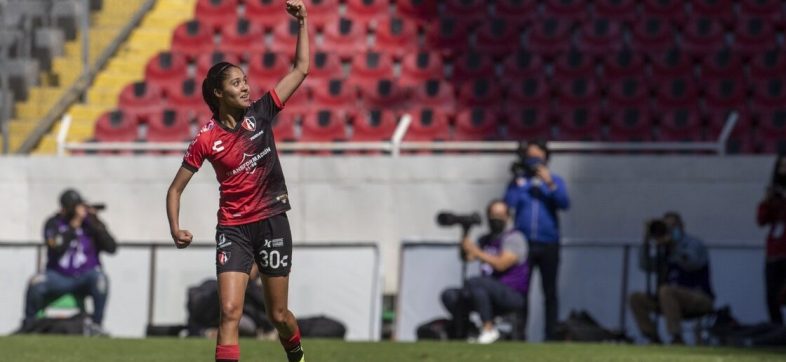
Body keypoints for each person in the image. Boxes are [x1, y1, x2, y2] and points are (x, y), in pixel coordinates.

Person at [165, 1, 309, 361]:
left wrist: (303, 22)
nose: (246, 87)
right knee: (229, 312)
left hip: (273, 223)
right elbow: (175, 188)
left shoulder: (262, 113)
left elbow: (301, 68)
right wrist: (175, 227)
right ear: (218, 92)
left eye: (245, 81)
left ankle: (297, 355)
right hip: (234, 230)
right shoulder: (205, 138)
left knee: (279, 316)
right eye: (237, 83)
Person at [21, 189, 116, 334]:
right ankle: (29, 325)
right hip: (58, 276)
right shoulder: (53, 223)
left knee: (101, 280)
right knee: (36, 283)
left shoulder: (90, 225)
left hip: (85, 276)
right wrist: (73, 225)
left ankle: (96, 325)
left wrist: (96, 223)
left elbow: (111, 247)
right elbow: (57, 247)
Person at [503, 140, 569, 340]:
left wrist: (549, 183)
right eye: (529, 157)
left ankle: (550, 335)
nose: (533, 161)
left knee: (550, 292)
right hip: (524, 243)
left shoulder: (555, 180)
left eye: (537, 157)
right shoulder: (519, 182)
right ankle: (519, 334)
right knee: (522, 291)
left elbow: (564, 203)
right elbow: (508, 203)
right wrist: (520, 183)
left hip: (548, 242)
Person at [441, 199, 529, 344]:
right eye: (493, 216)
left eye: (500, 216)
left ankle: (489, 329)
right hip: (484, 293)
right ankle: (468, 331)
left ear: (507, 217)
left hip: (511, 294)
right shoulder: (485, 239)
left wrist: (477, 251)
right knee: (450, 295)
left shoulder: (515, 238)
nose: (496, 220)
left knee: (475, 283)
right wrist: (465, 235)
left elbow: (501, 264)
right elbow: (467, 257)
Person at [629, 212, 715, 345]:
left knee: (665, 290)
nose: (669, 230)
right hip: (668, 301)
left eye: (673, 226)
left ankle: (676, 337)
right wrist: (646, 239)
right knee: (635, 298)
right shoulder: (663, 249)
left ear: (682, 227)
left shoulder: (694, 244)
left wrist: (674, 245)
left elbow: (692, 262)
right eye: (666, 226)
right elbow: (645, 265)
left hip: (698, 297)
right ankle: (653, 337)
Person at [757, 153, 786, 325]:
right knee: (771, 295)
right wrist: (767, 201)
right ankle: (777, 331)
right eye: (782, 166)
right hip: (774, 253)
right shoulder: (774, 195)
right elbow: (761, 220)